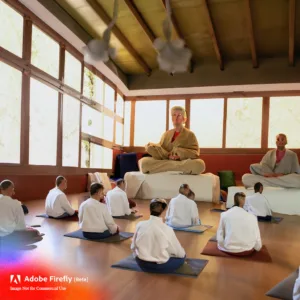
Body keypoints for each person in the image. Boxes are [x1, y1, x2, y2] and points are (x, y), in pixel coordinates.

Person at [138, 106, 205, 175]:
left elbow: (195, 153)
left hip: (181, 162)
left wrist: (179, 153)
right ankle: (175, 169)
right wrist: (152, 147)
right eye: (174, 115)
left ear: (184, 119)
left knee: (199, 164)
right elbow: (161, 151)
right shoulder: (166, 134)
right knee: (143, 162)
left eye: (179, 115)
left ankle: (167, 168)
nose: (176, 118)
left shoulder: (190, 135)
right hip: (166, 161)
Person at [131, 198, 186, 273]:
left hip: (141, 263)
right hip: (159, 266)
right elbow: (178, 253)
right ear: (163, 211)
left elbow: (133, 246)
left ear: (150, 209)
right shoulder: (167, 229)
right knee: (182, 256)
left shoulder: (140, 224)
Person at [0, 180, 43, 246]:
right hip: (9, 235)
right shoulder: (15, 203)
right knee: (36, 233)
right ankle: (15, 244)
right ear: (11, 189)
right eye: (13, 189)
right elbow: (21, 226)